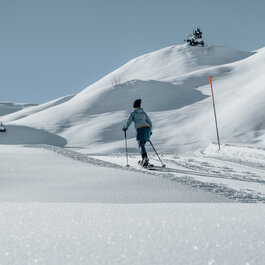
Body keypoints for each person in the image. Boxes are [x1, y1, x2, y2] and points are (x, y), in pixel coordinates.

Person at [122, 99, 152, 167]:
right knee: (142, 144)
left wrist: (125, 128)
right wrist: (149, 131)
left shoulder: (133, 113)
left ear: (134, 106)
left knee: (141, 144)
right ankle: (144, 159)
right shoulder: (144, 113)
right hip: (147, 128)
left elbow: (128, 122)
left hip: (140, 129)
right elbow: (150, 123)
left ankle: (145, 159)